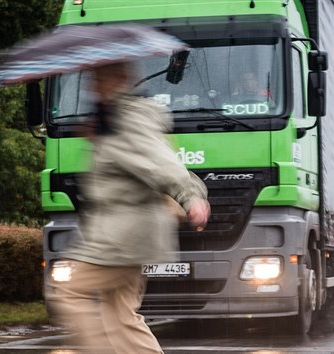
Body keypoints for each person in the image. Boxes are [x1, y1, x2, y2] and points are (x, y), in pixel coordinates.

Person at [45, 61, 210, 354]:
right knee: (120, 315)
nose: (92, 85)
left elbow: (161, 162)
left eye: (99, 78)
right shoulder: (109, 119)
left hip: (122, 236)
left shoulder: (127, 119)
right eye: (92, 79)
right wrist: (99, 139)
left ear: (119, 80)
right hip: (127, 233)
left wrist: (191, 196)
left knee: (68, 291)